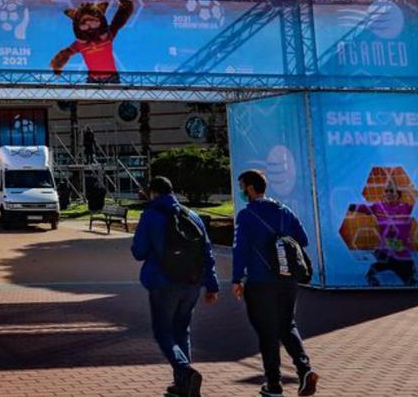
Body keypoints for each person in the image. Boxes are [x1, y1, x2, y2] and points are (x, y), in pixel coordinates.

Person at [232, 169, 319, 397]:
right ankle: (305, 369)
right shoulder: (284, 211)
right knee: (287, 325)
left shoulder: (247, 215)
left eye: (242, 186)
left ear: (250, 188)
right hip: (287, 280)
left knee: (267, 332)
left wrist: (236, 278)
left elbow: (239, 248)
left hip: (261, 281)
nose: (241, 191)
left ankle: (274, 384)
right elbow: (303, 239)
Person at [132, 176, 219, 397]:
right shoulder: (192, 216)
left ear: (153, 193)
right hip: (192, 283)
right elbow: (207, 252)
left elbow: (139, 251)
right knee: (182, 330)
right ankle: (182, 384)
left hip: (163, 282)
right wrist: (212, 284)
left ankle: (184, 371)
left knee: (163, 332)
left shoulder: (150, 215)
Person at [348, 181, 418, 286]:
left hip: (402, 254)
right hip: (385, 252)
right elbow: (364, 208)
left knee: (409, 281)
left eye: (392, 191)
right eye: (386, 191)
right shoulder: (379, 206)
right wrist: (349, 205)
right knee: (372, 271)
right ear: (384, 194)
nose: (389, 193)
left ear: (398, 194)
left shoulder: (407, 208)